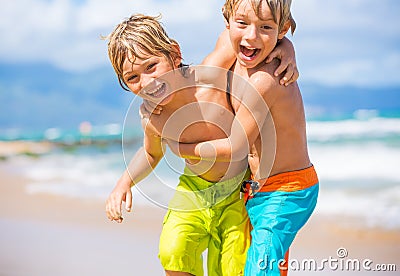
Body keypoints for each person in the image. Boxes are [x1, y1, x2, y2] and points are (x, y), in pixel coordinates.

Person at [104, 14, 297, 276]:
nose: (147, 83)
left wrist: (287, 48)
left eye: (151, 66)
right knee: (174, 251)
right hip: (193, 190)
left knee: (231, 267)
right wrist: (123, 183)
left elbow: (248, 38)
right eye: (132, 77)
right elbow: (151, 153)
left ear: (174, 53)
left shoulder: (211, 75)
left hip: (237, 193)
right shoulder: (152, 117)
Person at [168, 0, 319, 275]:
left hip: (288, 190)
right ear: (227, 21)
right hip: (256, 191)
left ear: (282, 29)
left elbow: (238, 145)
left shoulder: (265, 80)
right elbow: (199, 74)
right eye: (242, 24)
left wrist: (184, 148)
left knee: (258, 269)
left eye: (265, 28)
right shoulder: (232, 47)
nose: (251, 36)